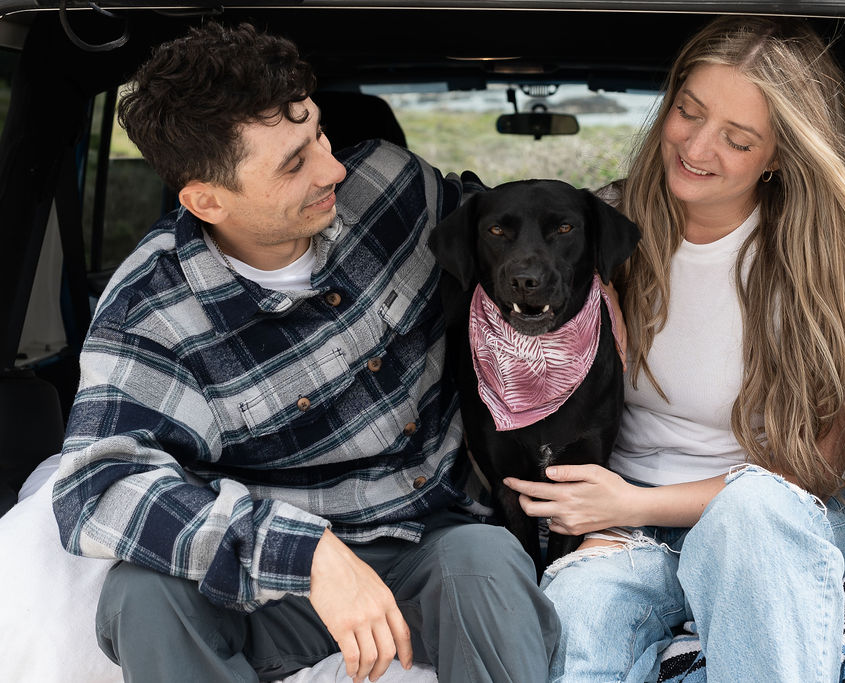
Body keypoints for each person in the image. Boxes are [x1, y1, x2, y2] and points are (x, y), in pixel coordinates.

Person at [51, 22, 558, 683]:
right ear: (207, 198)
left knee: (484, 558)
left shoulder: (392, 189)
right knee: (142, 594)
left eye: (317, 132)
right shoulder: (151, 312)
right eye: (294, 162)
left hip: (437, 547)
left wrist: (606, 284)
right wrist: (306, 551)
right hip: (276, 584)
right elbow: (97, 487)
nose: (333, 167)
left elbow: (513, 233)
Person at [504, 15, 845, 682]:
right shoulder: (599, 231)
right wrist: (574, 311)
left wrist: (631, 504)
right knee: (579, 603)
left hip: (778, 519)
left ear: (780, 155)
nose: (696, 147)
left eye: (738, 139)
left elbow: (817, 464)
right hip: (630, 527)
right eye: (688, 112)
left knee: (747, 515)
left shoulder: (824, 264)